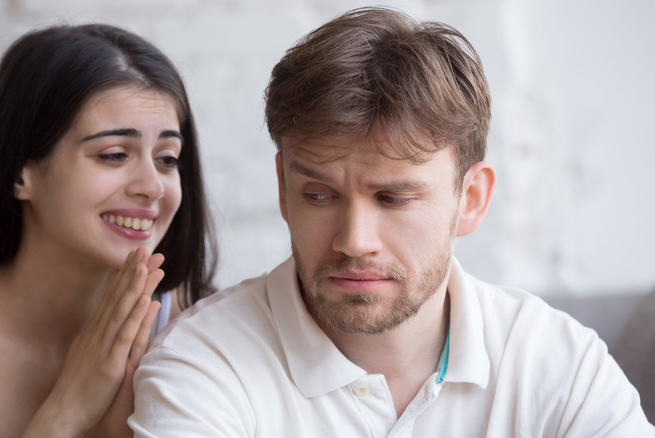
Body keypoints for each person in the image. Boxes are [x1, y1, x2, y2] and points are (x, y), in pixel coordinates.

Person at [129, 7, 654, 437]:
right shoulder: (202, 365)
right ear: (283, 190)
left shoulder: (558, 363)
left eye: (394, 198)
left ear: (470, 198)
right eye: (318, 193)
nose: (354, 241)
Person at [0, 23, 216, 438]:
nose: (151, 185)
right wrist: (66, 410)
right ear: (21, 173)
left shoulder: (193, 323)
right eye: (113, 154)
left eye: (167, 158)